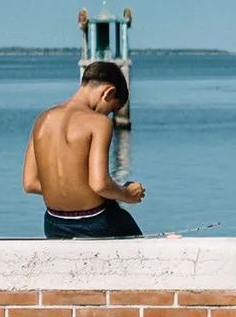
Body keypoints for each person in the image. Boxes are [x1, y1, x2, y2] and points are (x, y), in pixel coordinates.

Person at [22, 60, 145, 238]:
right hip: (96, 221)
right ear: (108, 92)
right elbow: (99, 184)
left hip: (54, 222)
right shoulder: (99, 123)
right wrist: (127, 194)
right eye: (111, 110)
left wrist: (71, 188)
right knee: (139, 251)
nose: (107, 115)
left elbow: (30, 183)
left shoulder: (42, 119)